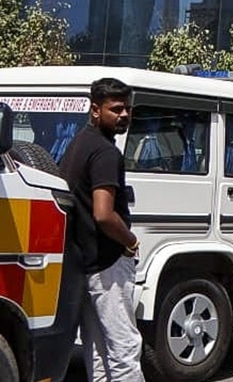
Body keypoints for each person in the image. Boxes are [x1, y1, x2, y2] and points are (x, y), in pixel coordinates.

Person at [59, 77, 145, 381]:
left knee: (97, 352)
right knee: (124, 348)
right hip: (107, 262)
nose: (124, 115)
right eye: (116, 109)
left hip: (84, 262)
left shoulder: (78, 143)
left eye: (128, 109)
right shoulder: (106, 153)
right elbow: (104, 213)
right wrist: (130, 240)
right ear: (96, 110)